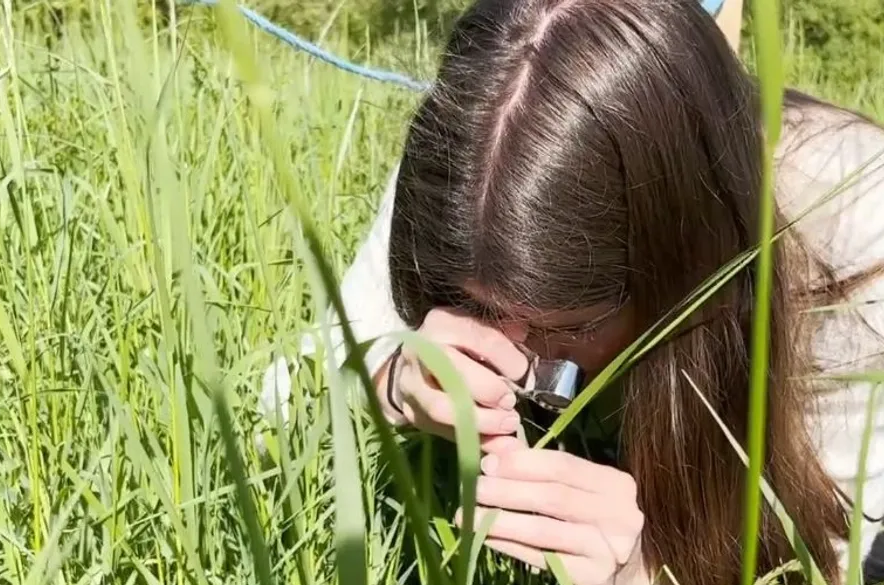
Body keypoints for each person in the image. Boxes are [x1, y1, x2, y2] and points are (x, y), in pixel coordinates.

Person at [259, 0, 884, 583]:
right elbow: (284, 399)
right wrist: (393, 382)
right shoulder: (481, 159)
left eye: (574, 325)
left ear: (681, 253)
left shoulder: (852, 219)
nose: (522, 358)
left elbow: (839, 557)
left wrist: (643, 574)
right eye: (480, 308)